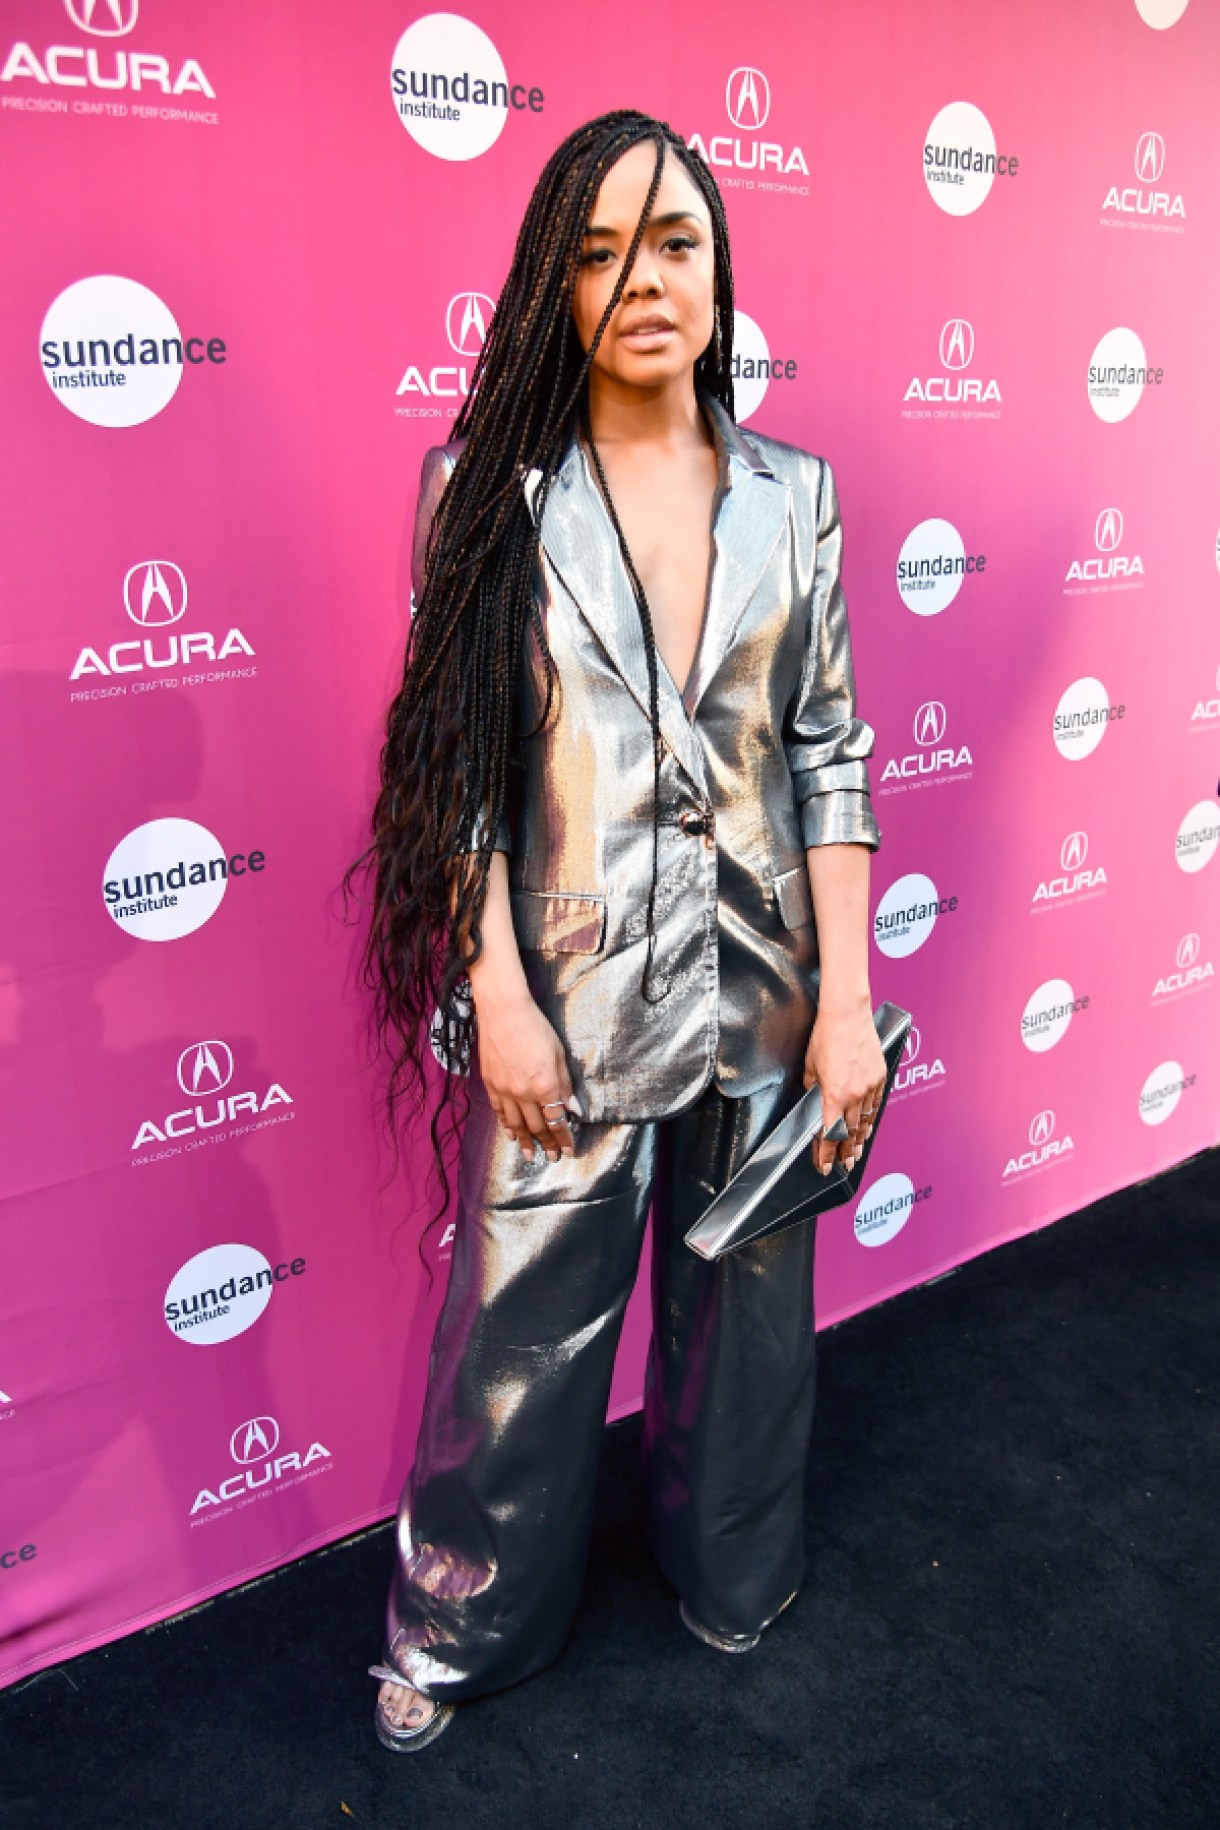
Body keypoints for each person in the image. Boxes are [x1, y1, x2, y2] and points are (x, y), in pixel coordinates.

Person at [355, 109, 885, 1752]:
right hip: (565, 998)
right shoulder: (481, 492)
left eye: (674, 243)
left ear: (723, 271)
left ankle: (734, 1570)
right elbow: (456, 776)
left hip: (770, 988)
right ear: (553, 289)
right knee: (515, 1330)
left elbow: (829, 752)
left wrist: (850, 1004)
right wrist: (493, 988)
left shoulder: (798, 497)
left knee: (753, 1324)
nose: (643, 279)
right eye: (599, 251)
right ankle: (455, 1623)